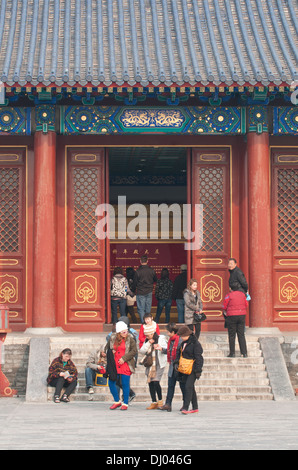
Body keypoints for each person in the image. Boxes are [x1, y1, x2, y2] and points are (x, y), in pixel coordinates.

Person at [104, 321, 137, 410]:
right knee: (111, 383)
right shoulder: (112, 338)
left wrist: (124, 358)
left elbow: (134, 351)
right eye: (123, 332)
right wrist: (111, 352)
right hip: (114, 364)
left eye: (126, 331)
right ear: (118, 332)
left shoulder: (130, 338)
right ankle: (117, 401)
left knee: (125, 384)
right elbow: (106, 348)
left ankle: (125, 403)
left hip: (126, 363)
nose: (125, 333)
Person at [176, 326, 203, 415]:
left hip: (193, 368)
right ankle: (195, 407)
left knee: (188, 386)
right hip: (184, 368)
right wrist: (176, 363)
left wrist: (198, 370)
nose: (181, 338)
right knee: (191, 387)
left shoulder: (195, 344)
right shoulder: (183, 343)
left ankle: (186, 407)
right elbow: (178, 354)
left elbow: (199, 357)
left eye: (182, 336)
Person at [139, 323, 168, 410]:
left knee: (156, 381)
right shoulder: (147, 340)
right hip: (150, 363)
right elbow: (142, 351)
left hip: (159, 363)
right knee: (150, 382)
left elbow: (167, 349)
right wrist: (148, 343)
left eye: (149, 335)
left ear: (153, 333)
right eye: (146, 335)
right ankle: (153, 401)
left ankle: (160, 401)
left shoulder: (161, 338)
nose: (148, 337)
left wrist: (160, 348)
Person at [158, 322, 184, 412]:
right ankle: (168, 404)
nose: (167, 333)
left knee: (183, 386)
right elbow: (169, 351)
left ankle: (185, 404)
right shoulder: (170, 340)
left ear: (173, 332)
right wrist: (162, 349)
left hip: (179, 367)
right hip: (172, 367)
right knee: (170, 386)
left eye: (168, 332)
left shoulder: (179, 340)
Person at [223, 287, 248, 357]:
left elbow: (224, 306)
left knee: (232, 335)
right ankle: (244, 353)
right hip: (242, 315)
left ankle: (232, 353)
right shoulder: (243, 295)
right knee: (241, 334)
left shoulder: (229, 295)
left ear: (231, 288)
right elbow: (246, 304)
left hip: (232, 316)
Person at [131, 255, 157, 322]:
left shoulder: (138, 271)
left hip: (140, 291)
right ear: (147, 261)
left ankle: (144, 323)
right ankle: (148, 322)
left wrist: (133, 291)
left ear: (140, 261)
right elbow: (155, 279)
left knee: (141, 309)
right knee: (148, 308)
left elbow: (135, 283)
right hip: (149, 291)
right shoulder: (152, 270)